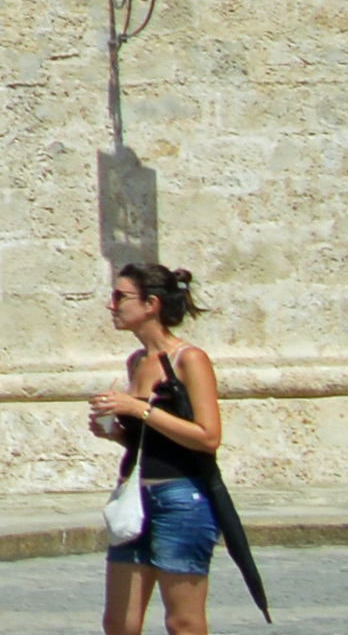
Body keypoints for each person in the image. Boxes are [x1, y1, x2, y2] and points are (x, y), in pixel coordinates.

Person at [90, 259, 237, 635]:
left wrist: (137, 407)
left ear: (151, 304)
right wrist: (116, 430)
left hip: (181, 498)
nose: (112, 305)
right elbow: (151, 439)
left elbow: (207, 436)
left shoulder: (188, 359)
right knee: (119, 623)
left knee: (183, 622)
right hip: (135, 497)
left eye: (120, 296)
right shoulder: (137, 360)